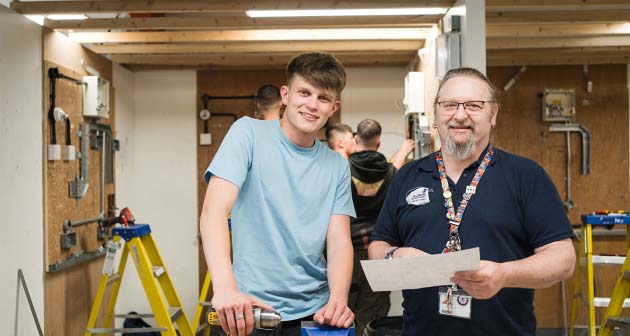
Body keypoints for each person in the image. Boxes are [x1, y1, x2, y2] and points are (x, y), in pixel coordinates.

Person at [368, 67, 575, 336]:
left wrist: (504, 274)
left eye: (474, 106)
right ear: (436, 113)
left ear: (493, 114)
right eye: (450, 105)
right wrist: (394, 255)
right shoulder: (408, 175)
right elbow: (378, 245)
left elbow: (563, 259)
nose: (460, 115)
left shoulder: (525, 175)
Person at [200, 52, 355, 336]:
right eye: (304, 92)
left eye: (323, 98)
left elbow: (339, 240)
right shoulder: (248, 133)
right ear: (286, 94)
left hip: (314, 314)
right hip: (249, 309)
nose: (312, 105)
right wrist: (225, 289)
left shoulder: (337, 165)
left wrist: (338, 299)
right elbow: (214, 212)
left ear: (334, 107)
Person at [347, 119, 414, 334]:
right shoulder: (391, 173)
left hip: (347, 249)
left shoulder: (341, 170)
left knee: (344, 307)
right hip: (377, 249)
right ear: (378, 143)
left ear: (356, 139)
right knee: (373, 308)